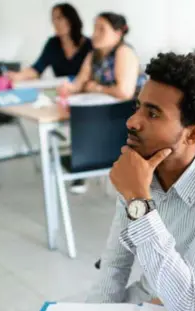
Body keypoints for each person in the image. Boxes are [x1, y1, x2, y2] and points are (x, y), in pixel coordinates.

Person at [87, 52, 195, 311]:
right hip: (149, 309)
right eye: (138, 107)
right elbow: (113, 267)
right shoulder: (141, 169)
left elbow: (184, 302)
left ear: (193, 134)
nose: (132, 122)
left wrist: (138, 200)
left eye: (153, 114)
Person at [57, 12, 141, 194]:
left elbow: (124, 92)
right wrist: (68, 88)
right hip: (102, 118)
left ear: (118, 33)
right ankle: (84, 166)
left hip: (125, 122)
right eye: (94, 28)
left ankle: (87, 165)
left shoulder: (124, 52)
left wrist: (95, 87)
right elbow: (79, 83)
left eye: (101, 29)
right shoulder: (93, 55)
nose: (94, 34)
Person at [8, 3, 93, 82]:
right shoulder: (52, 44)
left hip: (87, 92)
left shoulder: (89, 45)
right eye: (53, 19)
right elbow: (37, 69)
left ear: (70, 20)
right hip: (63, 91)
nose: (55, 23)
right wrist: (18, 76)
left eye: (59, 18)